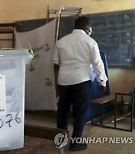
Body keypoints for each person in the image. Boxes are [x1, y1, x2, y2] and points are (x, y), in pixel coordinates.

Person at [53, 16, 108, 151]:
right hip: (81, 81)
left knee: (63, 112)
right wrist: (103, 81)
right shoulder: (90, 42)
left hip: (64, 81)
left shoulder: (61, 42)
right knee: (80, 112)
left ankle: (60, 141)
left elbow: (55, 62)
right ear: (87, 27)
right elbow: (98, 63)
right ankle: (75, 143)